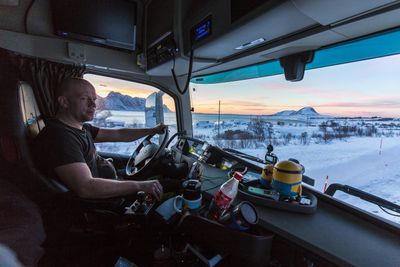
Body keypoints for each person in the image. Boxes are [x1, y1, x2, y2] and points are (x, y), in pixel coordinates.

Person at [33, 77, 166, 201]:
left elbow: (120, 135)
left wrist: (152, 130)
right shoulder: (59, 137)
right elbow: (86, 187)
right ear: (64, 102)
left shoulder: (82, 128)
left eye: (94, 99)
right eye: (84, 99)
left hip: (109, 186)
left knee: (163, 179)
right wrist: (140, 186)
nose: (93, 105)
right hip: (100, 204)